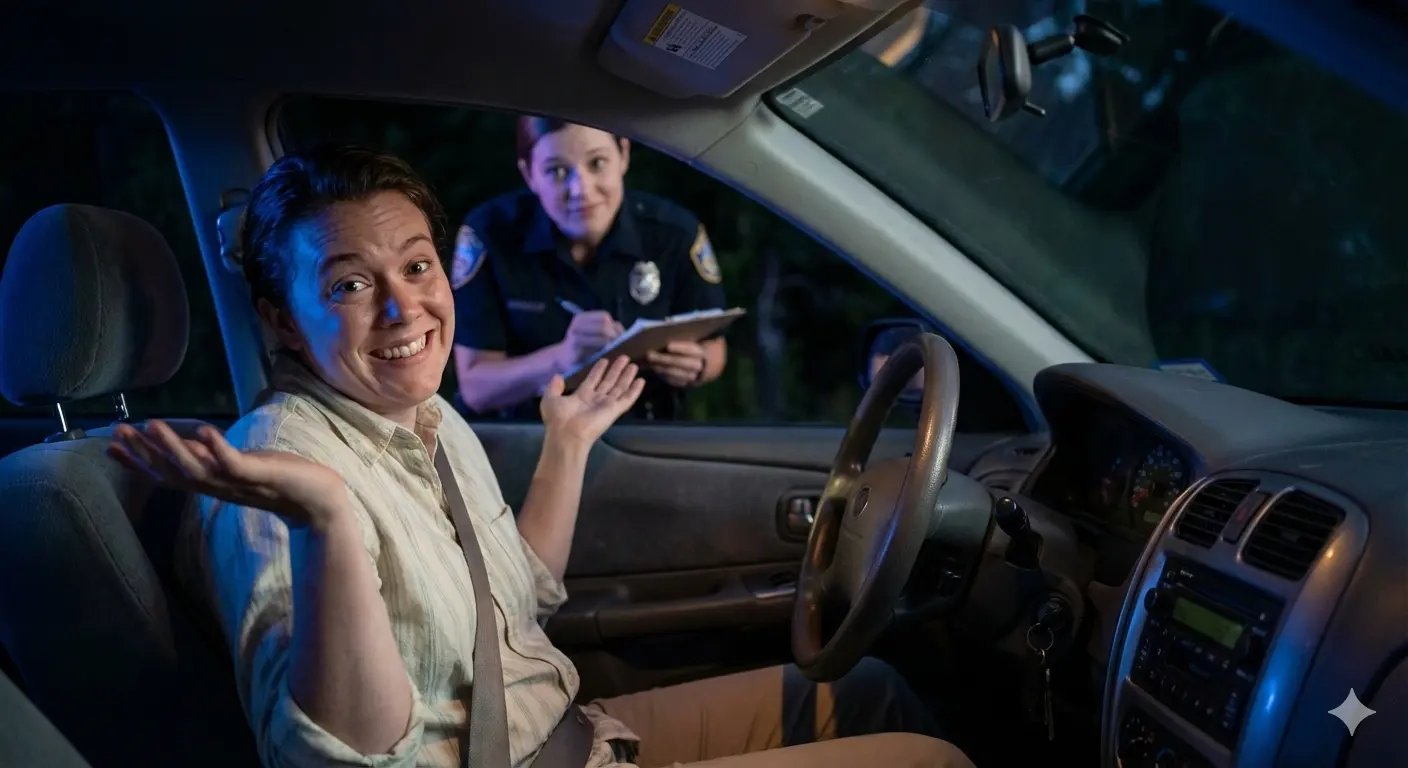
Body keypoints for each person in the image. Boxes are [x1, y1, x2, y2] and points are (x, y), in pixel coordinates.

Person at [105, 144, 972, 768]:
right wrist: (327, 520)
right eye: (349, 284)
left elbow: (516, 600)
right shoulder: (274, 469)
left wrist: (567, 445)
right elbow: (339, 759)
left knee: (866, 691)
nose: (406, 309)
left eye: (417, 266)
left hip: (573, 735)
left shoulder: (428, 418)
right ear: (281, 318)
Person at [452, 117, 729, 422]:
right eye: (557, 171)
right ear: (529, 174)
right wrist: (562, 358)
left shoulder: (673, 234)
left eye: (597, 163)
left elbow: (715, 347)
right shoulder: (492, 234)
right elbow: (476, 388)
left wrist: (699, 363)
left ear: (623, 155)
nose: (580, 189)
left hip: (644, 436)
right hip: (527, 438)